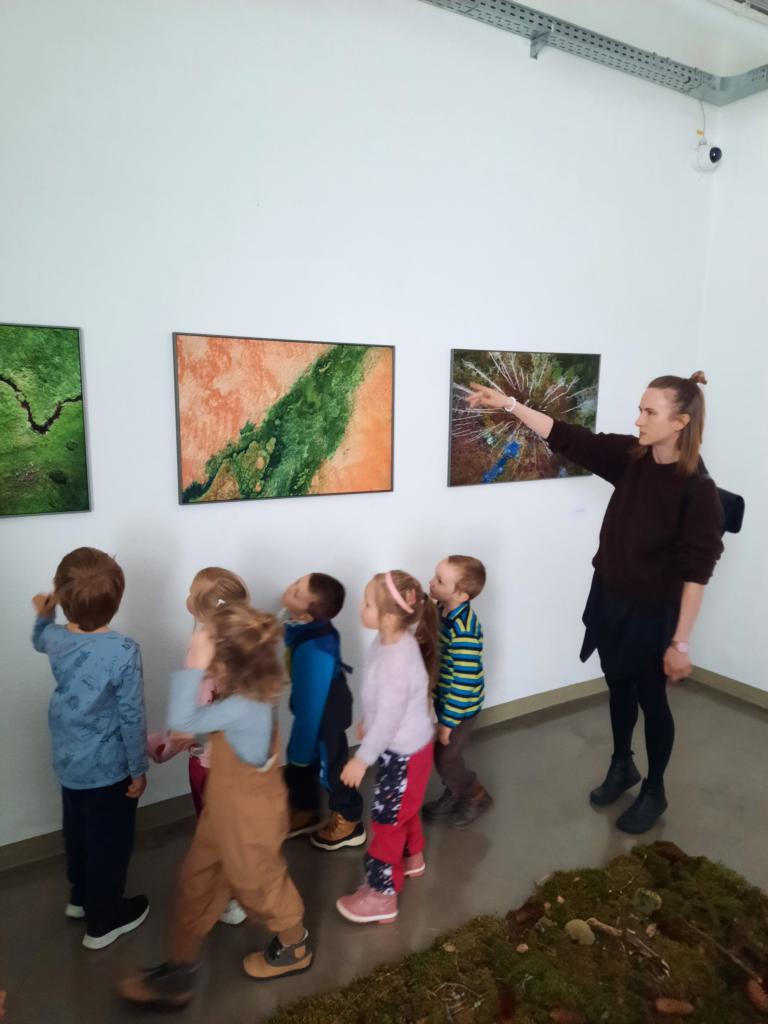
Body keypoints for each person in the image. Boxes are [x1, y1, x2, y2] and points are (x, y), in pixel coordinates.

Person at [468, 371, 723, 833]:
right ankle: (622, 765)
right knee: (618, 685)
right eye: (640, 410)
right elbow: (568, 436)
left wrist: (680, 643)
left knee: (652, 700)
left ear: (680, 421)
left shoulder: (697, 489)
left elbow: (696, 574)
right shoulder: (633, 457)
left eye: (649, 412)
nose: (638, 419)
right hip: (609, 598)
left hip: (651, 614)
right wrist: (509, 404)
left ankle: (655, 790)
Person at [118, 603, 310, 1008]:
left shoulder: (246, 705)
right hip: (223, 810)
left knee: (260, 888)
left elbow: (184, 721)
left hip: (250, 818)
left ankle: (295, 944)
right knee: (196, 883)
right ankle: (180, 971)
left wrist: (193, 663)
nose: (199, 661)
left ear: (226, 666)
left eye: (205, 657)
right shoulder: (240, 692)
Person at [31, 546, 149, 950]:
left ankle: (80, 898)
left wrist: (44, 614)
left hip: (69, 764)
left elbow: (38, 638)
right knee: (109, 845)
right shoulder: (123, 650)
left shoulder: (55, 638)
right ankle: (104, 921)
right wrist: (138, 769)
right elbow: (132, 716)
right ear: (117, 599)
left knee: (78, 834)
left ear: (62, 597)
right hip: (109, 771)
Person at [147, 566, 250, 925]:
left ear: (197, 607)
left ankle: (228, 900)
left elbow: (187, 729)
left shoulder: (201, 664)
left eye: (191, 593)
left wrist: (157, 746)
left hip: (209, 767)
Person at [336, 571, 436, 925]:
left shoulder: (397, 660)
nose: (360, 608)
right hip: (408, 748)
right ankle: (413, 858)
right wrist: (369, 717)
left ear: (390, 617)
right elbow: (384, 701)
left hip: (403, 754)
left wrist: (362, 759)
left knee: (386, 822)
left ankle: (382, 895)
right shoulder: (389, 641)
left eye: (367, 603)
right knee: (403, 810)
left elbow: (391, 719)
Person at [282, 573, 365, 850]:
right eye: (295, 582)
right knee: (304, 767)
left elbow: (310, 711)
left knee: (331, 769)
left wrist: (299, 754)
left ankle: (350, 820)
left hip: (325, 716)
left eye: (296, 592)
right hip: (312, 707)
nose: (288, 588)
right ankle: (306, 812)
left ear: (307, 615)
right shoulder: (304, 625)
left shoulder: (315, 649)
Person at [424, 555, 492, 828]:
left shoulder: (464, 632)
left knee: (446, 757)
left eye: (440, 581)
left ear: (461, 595)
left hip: (461, 707)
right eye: (435, 576)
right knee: (443, 754)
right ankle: (454, 790)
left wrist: (448, 723)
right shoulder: (441, 608)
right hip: (445, 699)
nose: (431, 582)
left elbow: (464, 684)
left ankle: (474, 793)